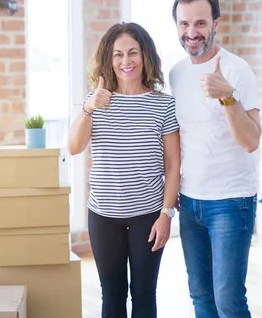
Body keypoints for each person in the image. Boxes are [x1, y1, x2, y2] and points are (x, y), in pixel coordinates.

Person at [67, 22, 180, 318]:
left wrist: (166, 215)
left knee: (144, 295)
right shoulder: (96, 100)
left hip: (148, 216)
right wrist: (89, 107)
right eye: (118, 54)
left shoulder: (163, 105)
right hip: (104, 217)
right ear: (109, 59)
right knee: (112, 295)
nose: (125, 61)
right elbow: (74, 147)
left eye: (133, 53)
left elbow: (173, 165)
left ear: (145, 56)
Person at [169, 0, 262, 318]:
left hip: (231, 202)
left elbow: (251, 140)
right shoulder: (177, 73)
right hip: (190, 202)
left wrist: (228, 97)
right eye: (184, 24)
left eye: (200, 24)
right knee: (201, 297)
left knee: (229, 301)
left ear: (216, 23)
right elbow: (180, 137)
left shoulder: (237, 70)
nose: (191, 33)